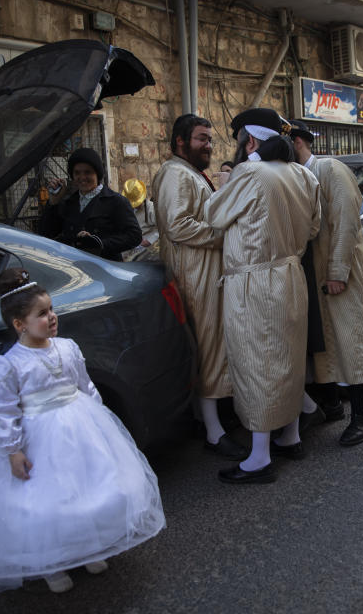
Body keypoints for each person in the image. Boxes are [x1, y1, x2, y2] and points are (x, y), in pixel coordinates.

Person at [0, 268, 165, 595]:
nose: (52, 317)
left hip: (80, 424)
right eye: (42, 314)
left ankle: (90, 548)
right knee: (50, 502)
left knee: (91, 490)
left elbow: (85, 385)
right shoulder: (10, 364)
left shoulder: (67, 347)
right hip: (41, 435)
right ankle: (52, 564)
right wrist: (13, 449)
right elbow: (6, 410)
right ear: (19, 324)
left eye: (52, 309)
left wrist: (102, 417)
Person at [204, 108, 321, 483]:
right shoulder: (304, 174)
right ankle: (291, 436)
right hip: (290, 276)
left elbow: (212, 215)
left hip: (254, 283)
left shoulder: (249, 172)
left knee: (257, 364)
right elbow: (315, 226)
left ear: (249, 141)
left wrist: (225, 181)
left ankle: (259, 458)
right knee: (286, 359)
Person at [150, 114, 247, 460]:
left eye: (209, 139)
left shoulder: (187, 173)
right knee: (206, 349)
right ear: (180, 141)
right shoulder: (175, 174)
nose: (208, 145)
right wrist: (223, 237)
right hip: (194, 276)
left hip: (203, 273)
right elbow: (178, 226)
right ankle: (213, 431)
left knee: (213, 346)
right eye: (201, 139)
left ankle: (215, 419)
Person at [289, 120, 363, 446]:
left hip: (339, 276)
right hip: (312, 276)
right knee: (323, 346)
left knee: (351, 343)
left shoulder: (330, 169)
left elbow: (346, 223)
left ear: (298, 142)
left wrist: (337, 273)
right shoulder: (295, 177)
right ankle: (331, 407)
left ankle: (361, 416)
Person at [40, 147, 142, 261]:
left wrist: (98, 243)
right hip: (75, 268)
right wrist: (54, 202)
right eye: (77, 173)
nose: (82, 178)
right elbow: (47, 233)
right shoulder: (68, 203)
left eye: (88, 172)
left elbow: (134, 236)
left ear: (97, 174)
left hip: (106, 268)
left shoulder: (116, 201)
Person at [121, 178, 160, 261]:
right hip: (132, 245)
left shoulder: (151, 209)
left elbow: (162, 228)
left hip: (148, 249)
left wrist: (149, 240)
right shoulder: (127, 209)